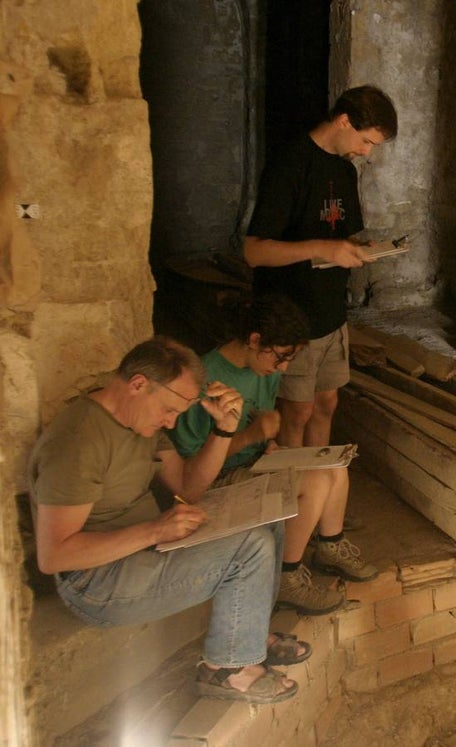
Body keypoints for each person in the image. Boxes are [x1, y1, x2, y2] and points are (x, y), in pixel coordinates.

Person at [29, 336, 305, 704]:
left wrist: (224, 431)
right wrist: (155, 529)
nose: (172, 422)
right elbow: (55, 557)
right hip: (96, 583)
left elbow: (187, 489)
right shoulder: (79, 442)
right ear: (139, 384)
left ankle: (252, 638)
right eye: (171, 410)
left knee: (269, 517)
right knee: (250, 548)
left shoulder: (138, 418)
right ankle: (228, 670)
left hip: (144, 550)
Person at [169, 294, 379, 616]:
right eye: (280, 357)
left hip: (253, 463)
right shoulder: (205, 377)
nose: (283, 367)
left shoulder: (265, 370)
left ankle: (329, 546)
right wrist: (252, 436)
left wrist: (269, 446)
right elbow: (193, 467)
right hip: (216, 479)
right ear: (255, 341)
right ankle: (287, 578)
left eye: (290, 359)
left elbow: (261, 424)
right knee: (315, 482)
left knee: (335, 467)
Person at [244, 85, 399, 449]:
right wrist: (322, 247)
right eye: (366, 141)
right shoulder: (290, 164)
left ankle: (316, 483)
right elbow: (253, 252)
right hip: (290, 312)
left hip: (330, 312)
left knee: (327, 404)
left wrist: (364, 249)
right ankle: (292, 492)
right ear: (343, 121)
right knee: (296, 410)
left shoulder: (344, 172)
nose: (366, 152)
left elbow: (341, 235)